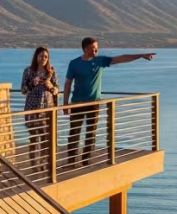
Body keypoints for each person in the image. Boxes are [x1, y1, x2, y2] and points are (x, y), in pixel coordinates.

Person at [63, 37, 155, 167]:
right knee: (74, 133)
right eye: (92, 47)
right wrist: (65, 104)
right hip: (77, 103)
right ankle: (71, 162)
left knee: (91, 133)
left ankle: (85, 162)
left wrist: (140, 56)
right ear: (85, 48)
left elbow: (121, 58)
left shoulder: (100, 61)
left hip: (93, 103)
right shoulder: (74, 63)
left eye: (96, 47)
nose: (95, 50)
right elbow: (67, 84)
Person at [20, 47, 59, 169]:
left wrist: (51, 86)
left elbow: (57, 90)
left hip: (47, 107)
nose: (43, 59)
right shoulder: (28, 71)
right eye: (41, 56)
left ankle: (43, 163)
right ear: (36, 57)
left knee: (45, 137)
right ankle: (34, 164)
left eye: (46, 57)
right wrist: (31, 84)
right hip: (32, 107)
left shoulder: (51, 72)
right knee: (33, 137)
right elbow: (23, 90)